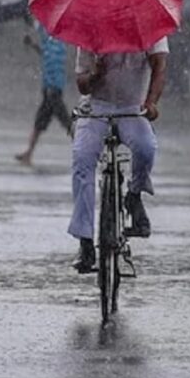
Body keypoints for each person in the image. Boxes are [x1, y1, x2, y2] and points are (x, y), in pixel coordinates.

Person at [70, 38, 169, 272]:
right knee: (82, 159)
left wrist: (152, 102)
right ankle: (85, 241)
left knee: (146, 148)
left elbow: (160, 66)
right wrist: (95, 74)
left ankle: (134, 196)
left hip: (132, 108)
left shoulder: (149, 27)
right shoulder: (91, 31)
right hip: (97, 108)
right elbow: (82, 84)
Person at [15, 22, 73, 165]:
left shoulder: (54, 41)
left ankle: (86, 151)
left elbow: (52, 61)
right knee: (41, 122)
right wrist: (32, 44)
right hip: (51, 89)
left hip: (52, 89)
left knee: (65, 122)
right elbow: (46, 54)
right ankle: (28, 153)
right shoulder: (55, 41)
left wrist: (50, 87)